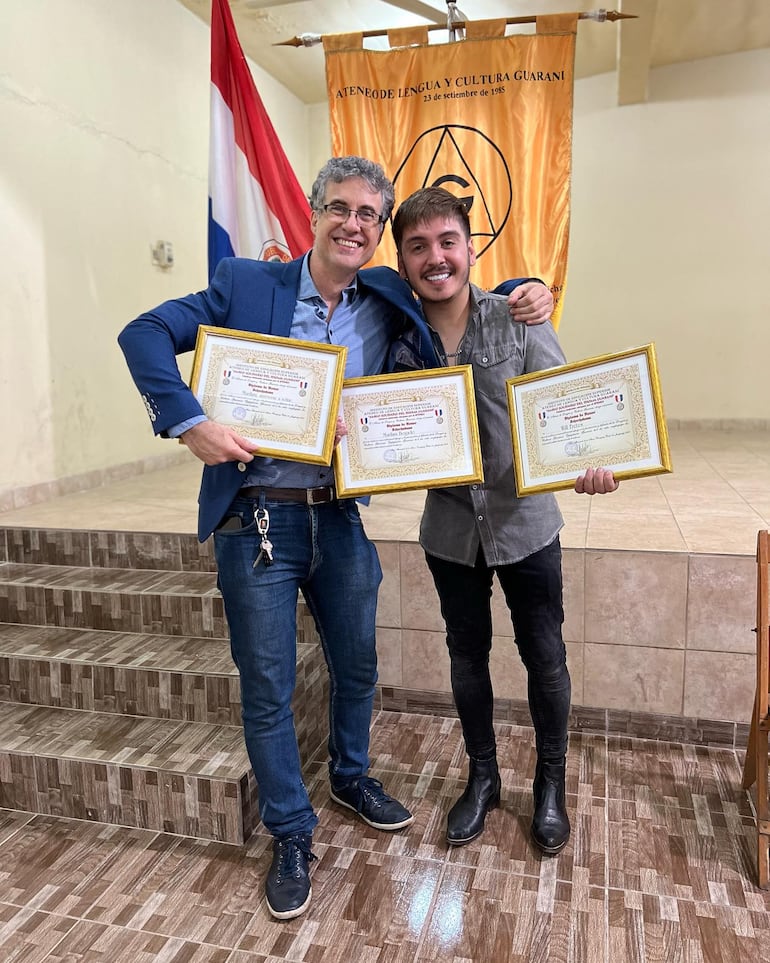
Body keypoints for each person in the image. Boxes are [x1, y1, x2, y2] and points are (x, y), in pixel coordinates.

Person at [118, 156, 554, 920]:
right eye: (340, 208)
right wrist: (189, 419)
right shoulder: (246, 283)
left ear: (380, 232)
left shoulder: (385, 294)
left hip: (338, 514)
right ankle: (291, 830)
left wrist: (527, 286)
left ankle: (351, 775)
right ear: (312, 213)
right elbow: (144, 332)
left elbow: (455, 277)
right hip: (255, 517)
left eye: (368, 216)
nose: (353, 224)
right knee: (268, 685)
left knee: (357, 665)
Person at [389, 186, 618, 855]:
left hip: (526, 524)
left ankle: (550, 783)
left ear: (469, 245)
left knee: (544, 655)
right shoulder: (397, 339)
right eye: (418, 245)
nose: (436, 257)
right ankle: (482, 776)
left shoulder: (519, 316)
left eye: (447, 241)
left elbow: (564, 410)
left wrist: (591, 461)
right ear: (402, 261)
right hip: (450, 530)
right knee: (466, 656)